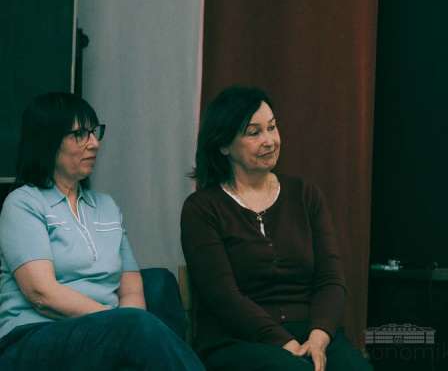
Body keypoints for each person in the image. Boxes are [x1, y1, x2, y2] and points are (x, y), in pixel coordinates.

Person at [0, 92, 203, 370]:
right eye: (80, 134)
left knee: (158, 284)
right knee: (134, 326)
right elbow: (42, 294)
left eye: (95, 133)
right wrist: (116, 321)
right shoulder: (23, 203)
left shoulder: (106, 206)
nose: (94, 143)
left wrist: (124, 325)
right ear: (48, 141)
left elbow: (131, 289)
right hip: (34, 335)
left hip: (101, 331)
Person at [181, 86, 372, 371]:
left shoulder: (305, 195)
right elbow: (223, 296)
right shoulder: (202, 208)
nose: (269, 141)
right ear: (223, 145)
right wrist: (286, 344)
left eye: (272, 127)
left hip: (311, 333)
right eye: (254, 132)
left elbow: (331, 279)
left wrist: (319, 337)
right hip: (238, 340)